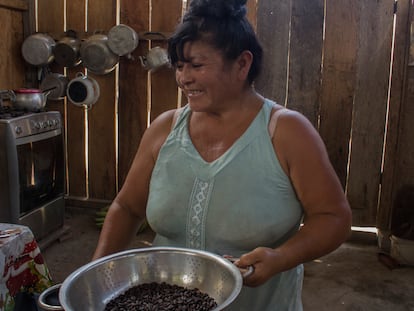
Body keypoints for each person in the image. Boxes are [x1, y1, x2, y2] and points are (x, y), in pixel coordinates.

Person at [92, 0, 352, 309]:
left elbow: (333, 218)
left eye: (197, 65)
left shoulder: (286, 132)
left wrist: (281, 258)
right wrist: (96, 278)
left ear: (242, 64)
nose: (183, 78)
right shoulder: (165, 129)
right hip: (168, 300)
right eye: (179, 66)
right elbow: (126, 207)